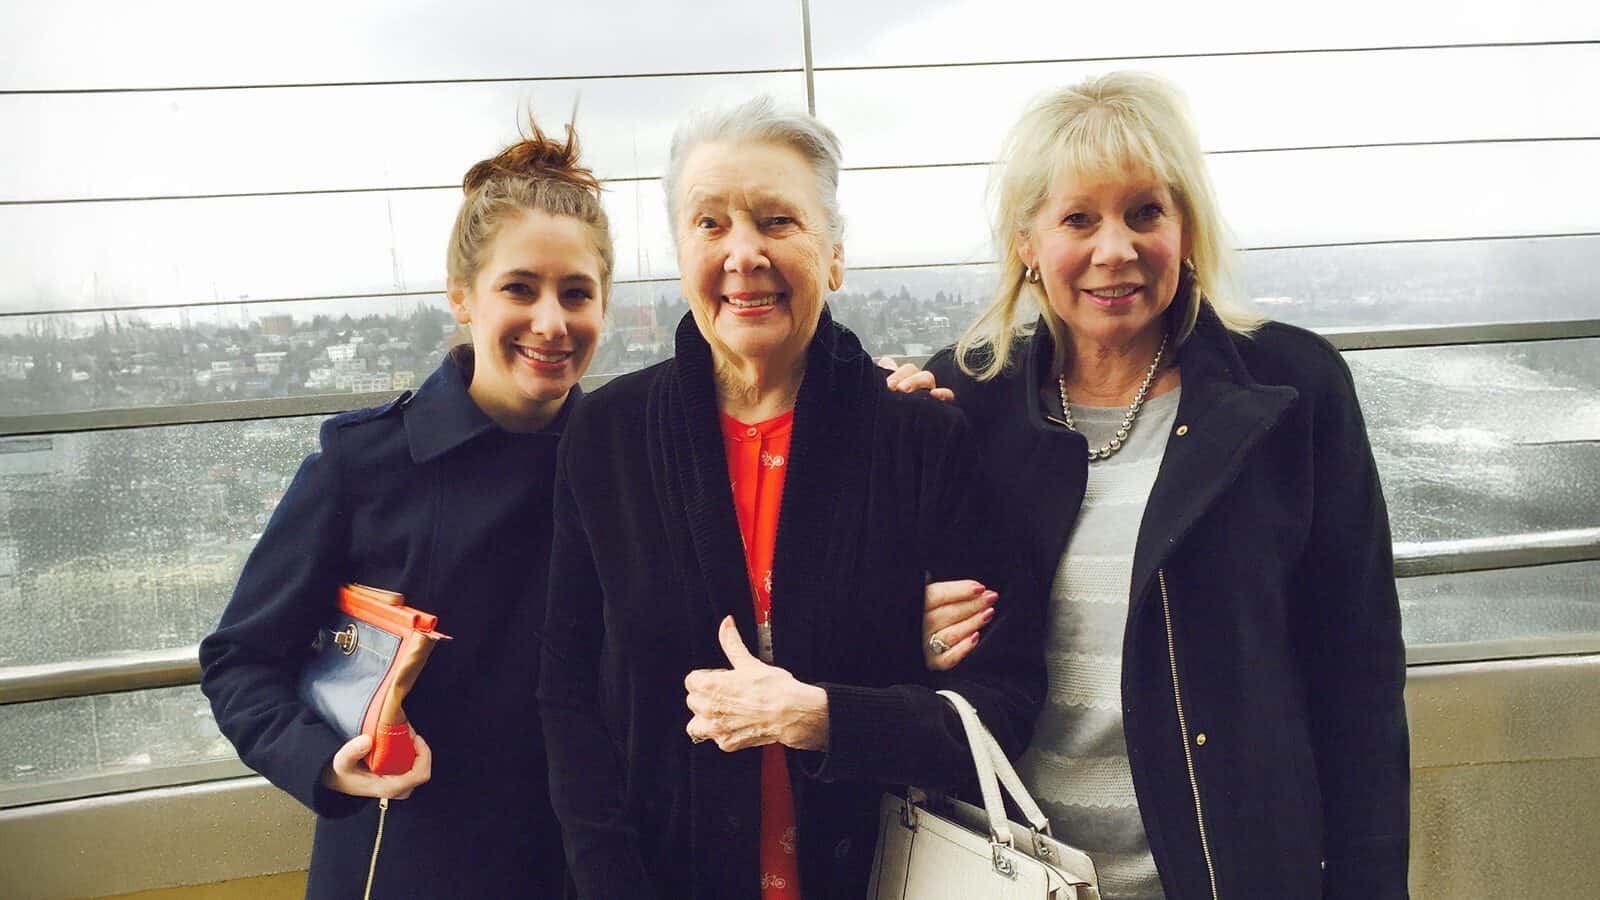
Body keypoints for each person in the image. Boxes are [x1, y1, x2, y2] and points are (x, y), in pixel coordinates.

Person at [537, 96, 1047, 899]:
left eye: (778, 221)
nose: (743, 253)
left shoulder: (919, 439)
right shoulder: (607, 439)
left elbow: (1006, 702)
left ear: (835, 255)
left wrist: (822, 715)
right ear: (680, 252)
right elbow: (567, 697)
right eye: (711, 224)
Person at [922, 71, 1410, 899]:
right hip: (1010, 873)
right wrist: (910, 625)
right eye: (1079, 217)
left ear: (1185, 229)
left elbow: (1357, 680)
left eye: (1145, 211)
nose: (1116, 248)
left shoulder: (1292, 391)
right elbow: (865, 627)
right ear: (1026, 243)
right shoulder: (961, 403)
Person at [198, 119, 612, 897]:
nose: (551, 322)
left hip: (581, 860)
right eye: (519, 288)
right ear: (462, 299)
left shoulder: (627, 459)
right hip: (410, 858)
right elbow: (240, 660)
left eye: (577, 293)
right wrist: (324, 759)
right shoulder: (367, 462)